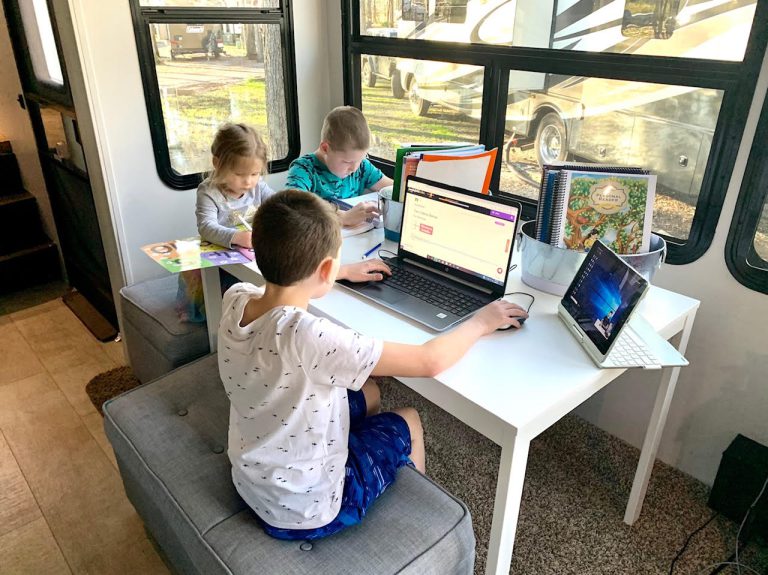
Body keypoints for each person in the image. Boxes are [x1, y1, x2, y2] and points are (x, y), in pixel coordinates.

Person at [217, 189, 527, 540]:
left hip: (252, 477)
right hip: (308, 507)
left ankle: (341, 449)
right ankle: (422, 535)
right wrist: (482, 321)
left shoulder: (237, 296)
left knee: (369, 390)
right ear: (324, 270)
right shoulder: (308, 336)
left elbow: (282, 299)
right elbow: (429, 361)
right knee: (408, 419)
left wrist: (338, 272)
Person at [177, 122, 392, 322]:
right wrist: (236, 237)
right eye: (240, 174)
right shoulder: (209, 191)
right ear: (217, 164)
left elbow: (280, 203)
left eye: (254, 173)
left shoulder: (256, 186)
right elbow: (206, 227)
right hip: (224, 257)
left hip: (253, 250)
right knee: (233, 297)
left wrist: (332, 217)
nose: (248, 181)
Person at [286, 105, 393, 227]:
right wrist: (342, 217)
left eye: (360, 159)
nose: (354, 168)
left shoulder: (362, 167)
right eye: (347, 162)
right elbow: (292, 203)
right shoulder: (303, 169)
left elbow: (391, 188)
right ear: (325, 148)